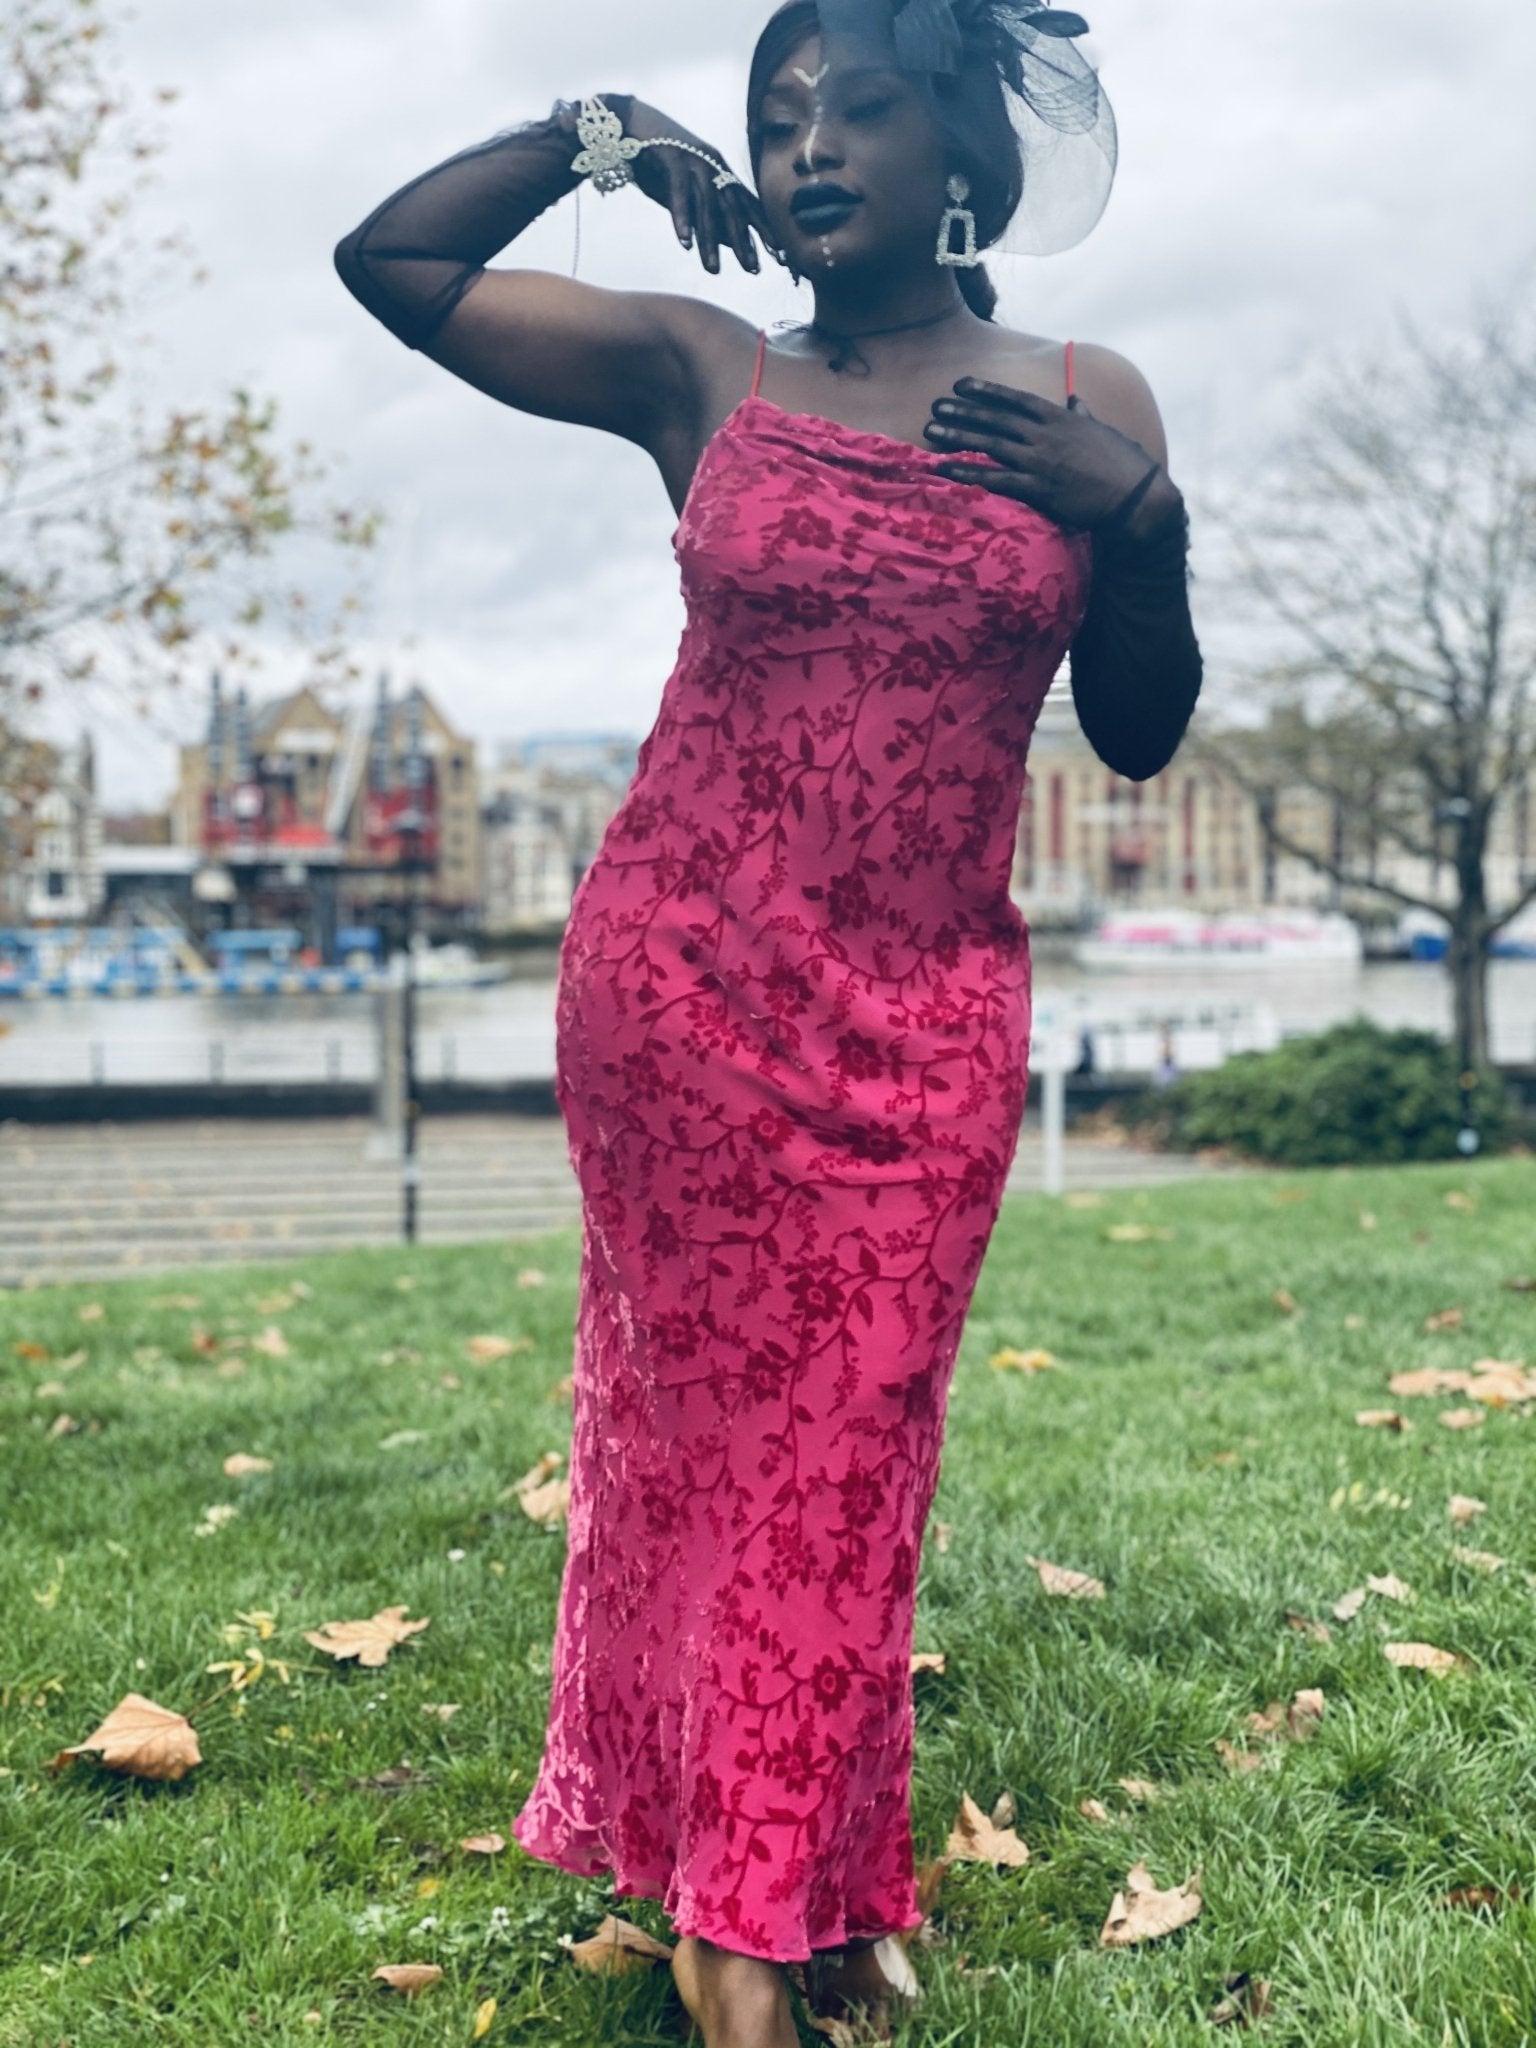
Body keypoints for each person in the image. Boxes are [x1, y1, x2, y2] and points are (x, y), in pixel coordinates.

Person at [334, 4, 1201, 2042]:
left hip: (925, 1019)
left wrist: (1145, 520)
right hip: (680, 993)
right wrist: (599, 134)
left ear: (961, 152)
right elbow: (397, 266)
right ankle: (747, 1918)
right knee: (708, 1454)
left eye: (859, 110)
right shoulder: (702, 369)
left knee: (849, 1456)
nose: (811, 147)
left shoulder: (1086, 397)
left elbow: (1141, 731)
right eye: (778, 116)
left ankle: (802, 1869)